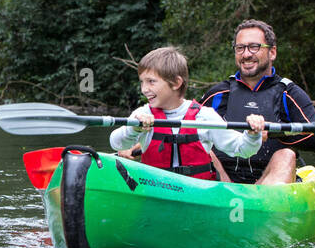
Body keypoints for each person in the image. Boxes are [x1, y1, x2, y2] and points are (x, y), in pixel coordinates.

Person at [110, 46, 265, 180]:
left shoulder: (204, 116)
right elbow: (116, 143)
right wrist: (133, 128)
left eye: (151, 81)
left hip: (198, 194)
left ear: (176, 83)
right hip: (155, 191)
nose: (144, 89)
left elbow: (242, 149)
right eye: (142, 82)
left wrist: (252, 134)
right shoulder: (142, 115)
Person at [200, 19, 315, 185]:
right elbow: (186, 132)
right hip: (223, 183)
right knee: (204, 150)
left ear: (272, 52)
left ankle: (267, 207)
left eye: (254, 47)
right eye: (240, 48)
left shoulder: (289, 93)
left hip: (270, 179)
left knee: (286, 155)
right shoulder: (218, 94)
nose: (246, 54)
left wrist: (272, 133)